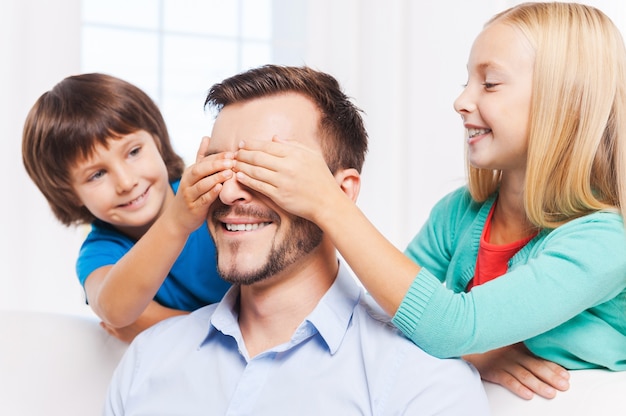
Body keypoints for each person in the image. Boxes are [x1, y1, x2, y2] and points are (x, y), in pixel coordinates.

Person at [232, 2, 626, 401]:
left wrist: (328, 204)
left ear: (565, 104)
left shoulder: (606, 242)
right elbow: (381, 314)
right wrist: (475, 353)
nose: (461, 101)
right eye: (467, 82)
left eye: (489, 84)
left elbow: (452, 326)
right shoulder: (459, 213)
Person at [104, 65, 489, 415]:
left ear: (342, 191)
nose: (229, 194)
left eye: (268, 167)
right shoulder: (148, 360)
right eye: (219, 168)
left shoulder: (421, 381)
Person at [22, 73, 231, 342]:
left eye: (133, 152)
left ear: (156, 141)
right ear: (70, 193)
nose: (126, 182)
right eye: (97, 175)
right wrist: (177, 222)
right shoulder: (100, 252)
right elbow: (115, 311)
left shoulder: (212, 195)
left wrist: (156, 325)